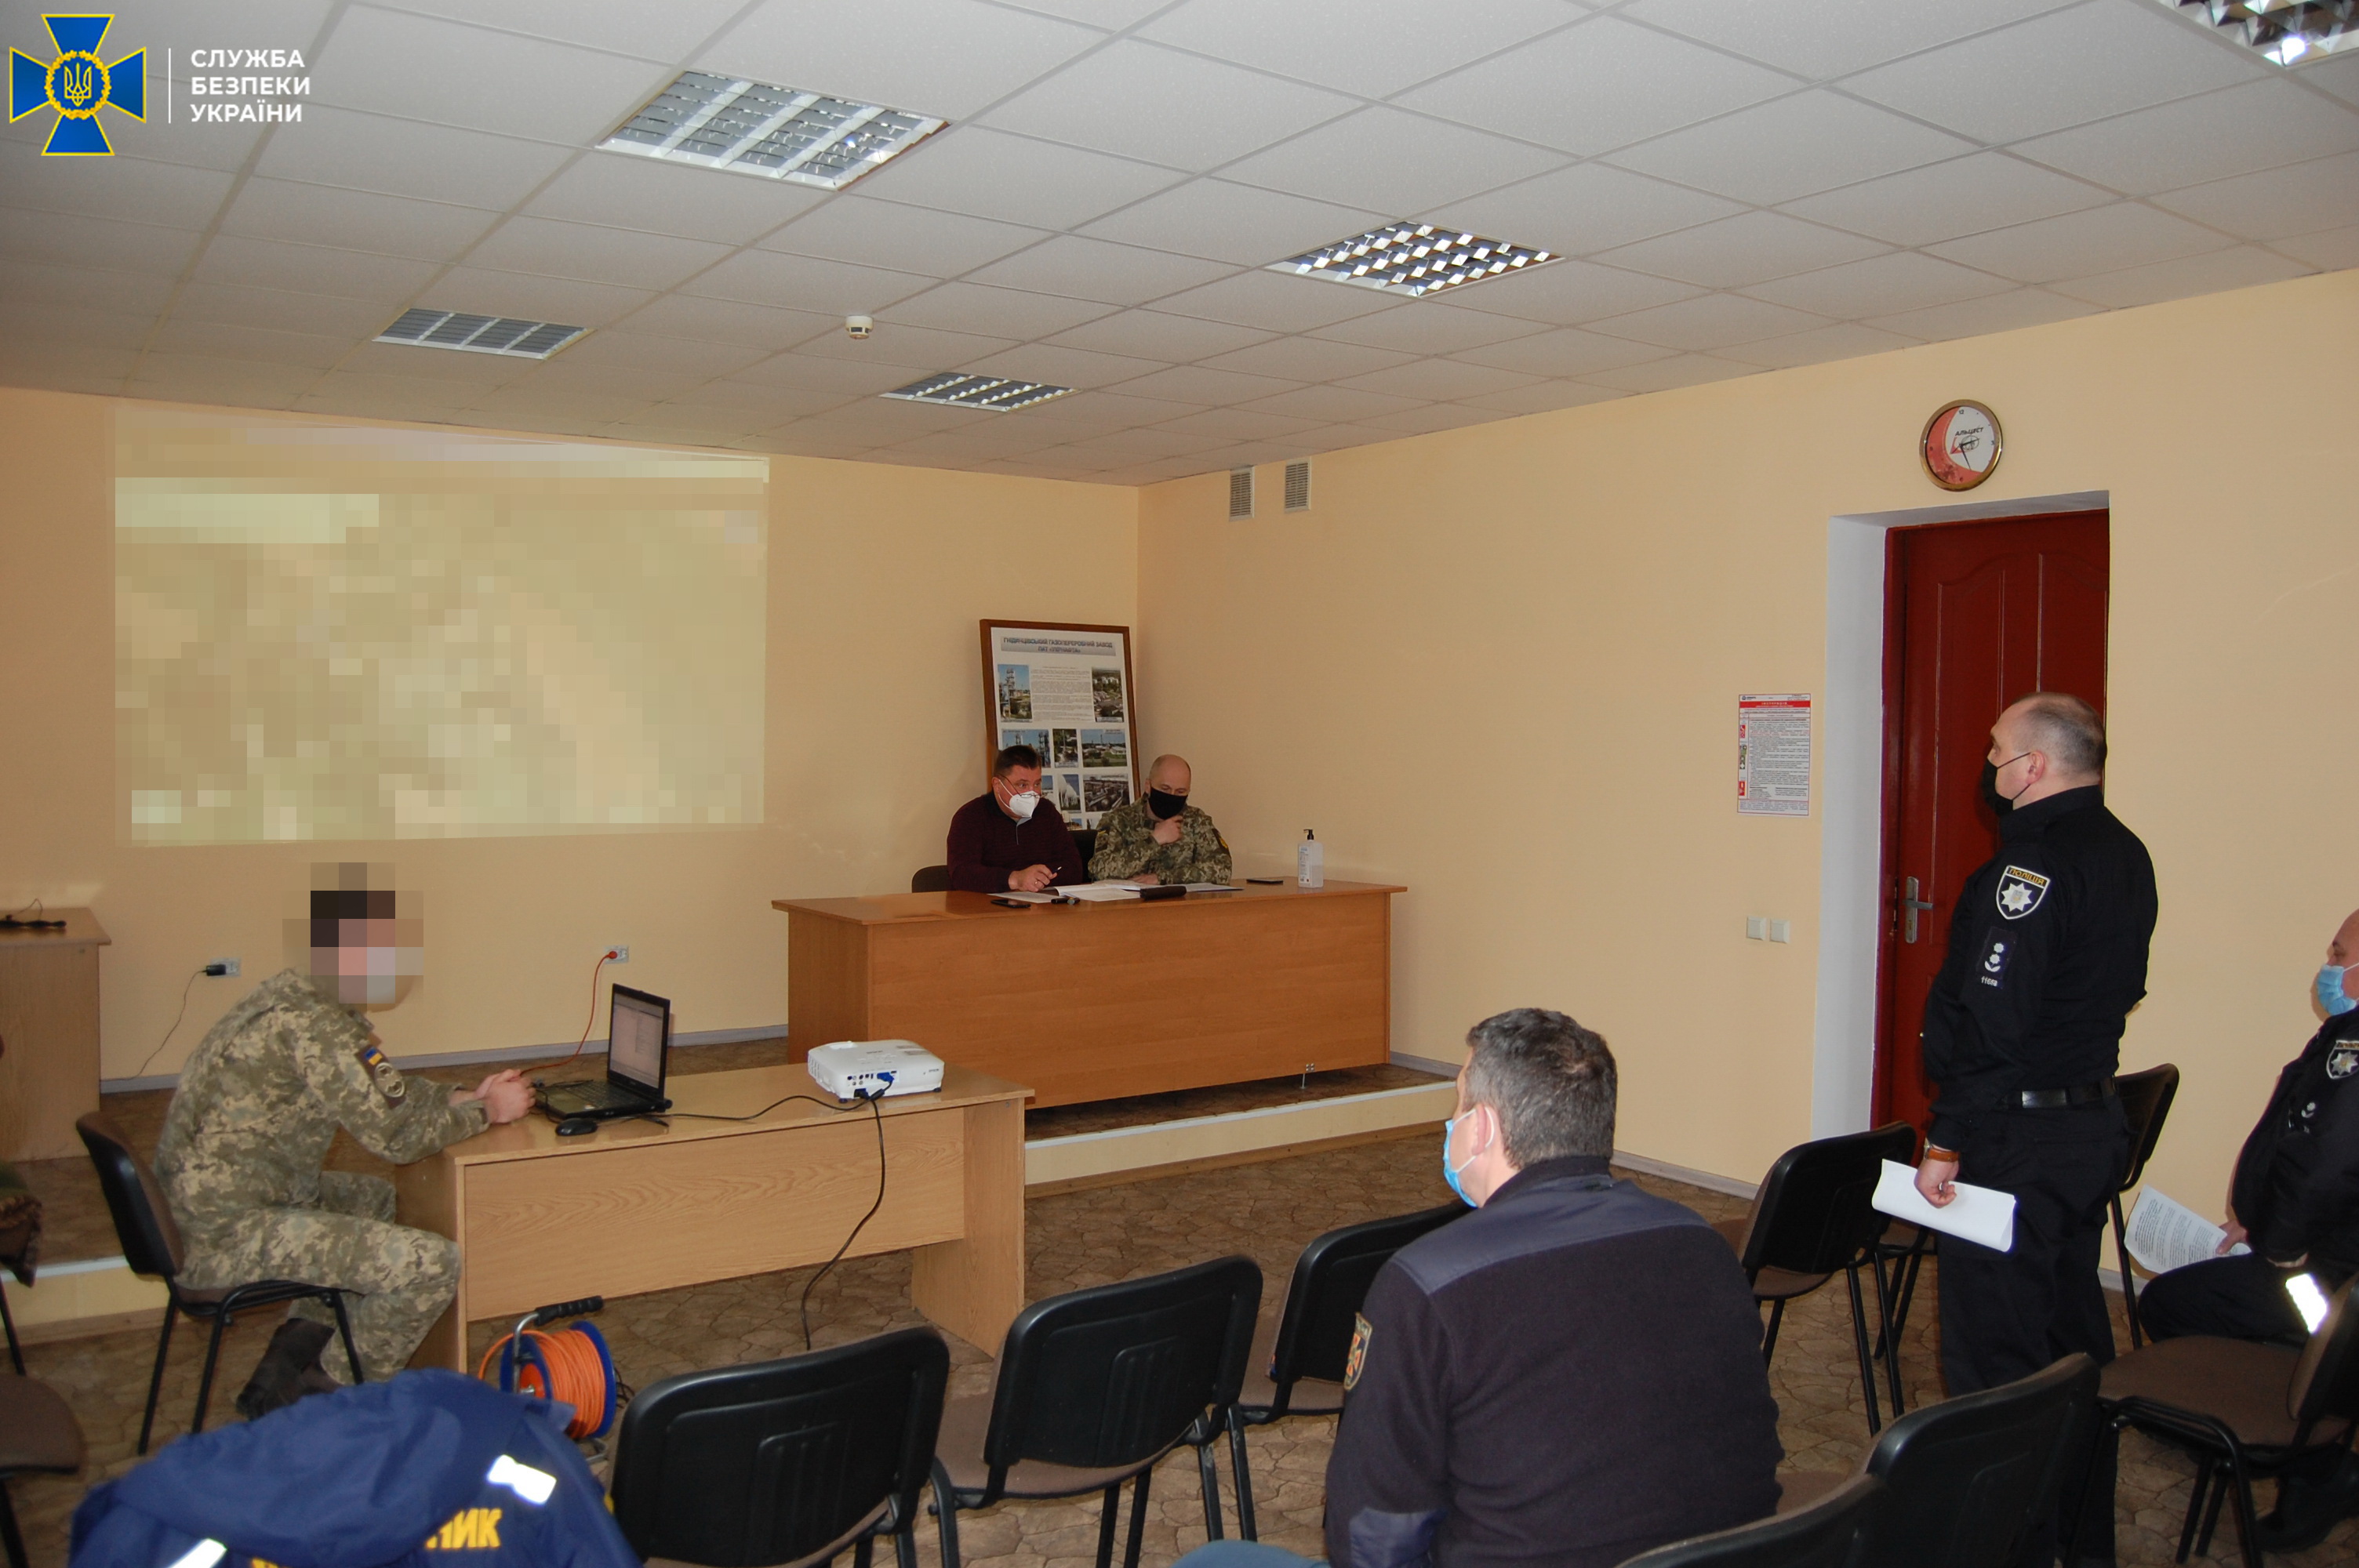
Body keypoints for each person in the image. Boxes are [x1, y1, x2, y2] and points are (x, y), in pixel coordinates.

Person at [1318, 1008, 1781, 1568]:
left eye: (1459, 1103)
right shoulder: (1703, 1243)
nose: (1452, 1122)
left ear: (1482, 1128)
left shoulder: (1425, 1286)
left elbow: (1371, 1534)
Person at [1914, 691, 2156, 1565]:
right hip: (2086, 1127)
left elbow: (1993, 1023)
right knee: (2071, 1354)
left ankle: (2012, 1547)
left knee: (1998, 1370)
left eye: (1996, 750)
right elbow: (2121, 988)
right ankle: (2080, 1544)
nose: (1988, 765)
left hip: (2014, 1145)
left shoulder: (2031, 868)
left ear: (2034, 766)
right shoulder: (2124, 851)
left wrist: (1946, 1139)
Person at [154, 898, 531, 1417]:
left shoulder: (296, 996)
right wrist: (489, 1112)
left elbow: (383, 1092)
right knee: (434, 1266)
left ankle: (283, 1379)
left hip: (219, 1203)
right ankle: (323, 1408)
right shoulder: (319, 1024)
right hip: (226, 1234)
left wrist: (463, 1098)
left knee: (382, 1202)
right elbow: (396, 1137)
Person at [2129, 906, 2359, 1549]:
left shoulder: (2354, 1047)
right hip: (2313, 1249)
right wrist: (2255, 1218)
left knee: (2173, 1303)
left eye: (2339, 955)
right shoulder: (2344, 1031)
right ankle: (2308, 1447)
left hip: (2318, 1271)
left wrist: (2279, 1248)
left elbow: (2329, 1165)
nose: (2328, 966)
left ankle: (2299, 1459)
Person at [945, 744, 1087, 894]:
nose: (1032, 793)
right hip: (985, 906)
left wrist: (1037, 879)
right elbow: (962, 874)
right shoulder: (970, 817)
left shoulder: (1047, 812)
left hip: (1041, 903)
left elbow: (1074, 867)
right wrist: (1015, 879)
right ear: (997, 785)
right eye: (1022, 785)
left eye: (1037, 784)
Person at [1087, 753, 1233, 886]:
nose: (1172, 796)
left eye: (1180, 792)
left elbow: (1223, 869)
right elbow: (1101, 870)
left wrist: (1164, 878)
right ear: (1148, 786)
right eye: (1165, 789)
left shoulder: (1197, 821)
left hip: (1181, 905)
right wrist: (1153, 841)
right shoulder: (1117, 820)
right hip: (1130, 905)